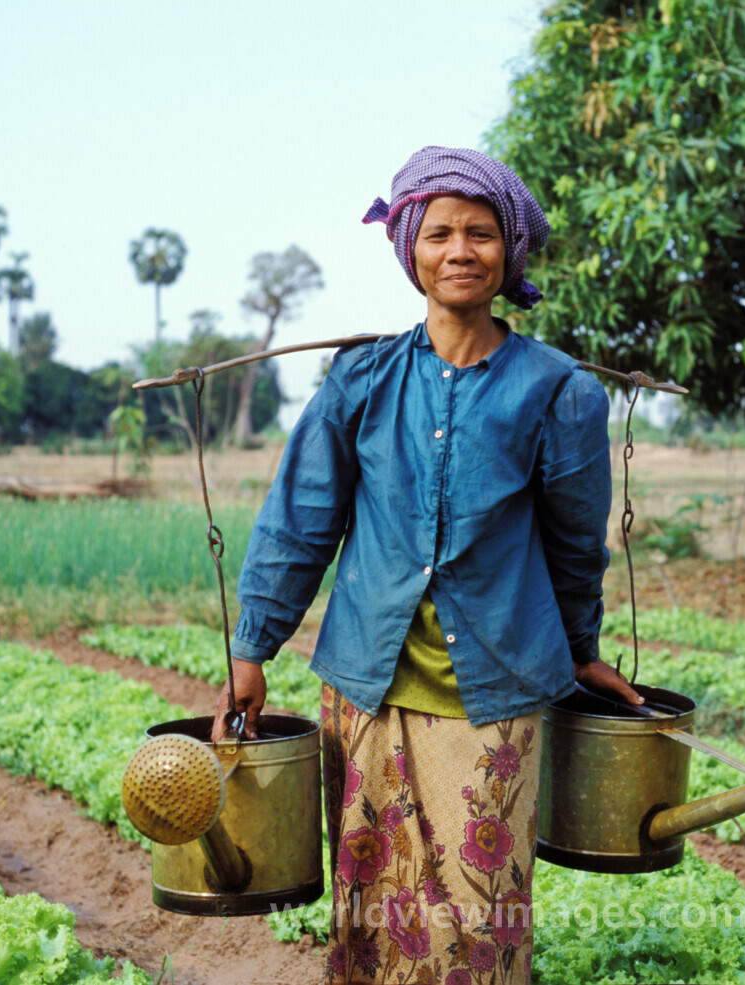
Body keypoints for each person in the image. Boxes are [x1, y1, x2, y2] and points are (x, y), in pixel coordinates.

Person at [213, 146, 639, 985]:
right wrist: (251, 649)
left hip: (498, 686)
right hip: (366, 682)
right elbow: (300, 521)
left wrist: (581, 645)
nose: (459, 250)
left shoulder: (559, 391)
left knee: (482, 912)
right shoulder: (362, 380)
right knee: (374, 902)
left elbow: (573, 542)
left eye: (480, 233)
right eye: (439, 232)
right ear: (409, 246)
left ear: (508, 251)